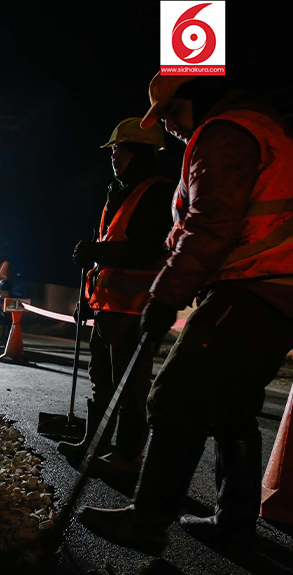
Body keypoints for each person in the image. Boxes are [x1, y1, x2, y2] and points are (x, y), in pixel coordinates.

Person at [79, 74, 293, 555]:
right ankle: (232, 522)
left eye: (173, 114)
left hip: (252, 287)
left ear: (195, 99)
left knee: (175, 395)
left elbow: (211, 221)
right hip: (277, 291)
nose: (172, 128)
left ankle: (149, 519)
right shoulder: (262, 127)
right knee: (231, 410)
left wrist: (166, 296)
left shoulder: (225, 133)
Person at [56, 118, 174, 479]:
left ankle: (125, 457)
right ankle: (96, 446)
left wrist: (98, 253)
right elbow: (108, 251)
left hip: (134, 311)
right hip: (108, 308)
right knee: (102, 380)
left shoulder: (156, 192)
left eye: (120, 149)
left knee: (130, 387)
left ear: (139, 151)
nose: (114, 156)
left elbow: (148, 250)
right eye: (113, 150)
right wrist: (88, 299)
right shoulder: (119, 192)